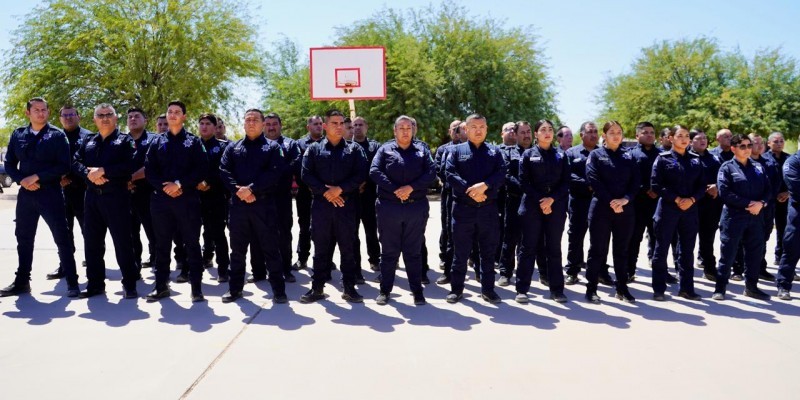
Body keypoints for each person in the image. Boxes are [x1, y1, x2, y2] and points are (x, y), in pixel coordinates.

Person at [0, 98, 79, 297]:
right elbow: (9, 164)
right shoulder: (18, 135)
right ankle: (22, 282)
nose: (41, 113)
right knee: (24, 238)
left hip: (50, 194)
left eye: (44, 109)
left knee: (62, 238)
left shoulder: (57, 135)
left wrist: (37, 177)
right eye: (36, 110)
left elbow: (64, 166)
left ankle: (72, 282)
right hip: (26, 195)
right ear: (28, 113)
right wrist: (22, 180)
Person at [219, 109, 287, 303]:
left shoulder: (273, 148)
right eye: (247, 119)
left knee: (271, 249)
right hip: (238, 206)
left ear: (263, 123)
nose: (251, 122)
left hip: (264, 205)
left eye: (255, 119)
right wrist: (238, 190)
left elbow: (275, 173)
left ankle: (279, 291)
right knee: (237, 251)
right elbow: (224, 170)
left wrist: (252, 189)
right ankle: (234, 290)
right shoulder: (233, 148)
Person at [299, 110, 368, 303]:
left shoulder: (354, 150)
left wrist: (340, 189)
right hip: (321, 207)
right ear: (325, 126)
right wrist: (326, 192)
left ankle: (349, 288)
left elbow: (361, 174)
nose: (339, 127)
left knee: (348, 248)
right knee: (320, 249)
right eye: (334, 123)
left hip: (346, 206)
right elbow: (306, 174)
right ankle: (317, 288)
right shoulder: (313, 149)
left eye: (341, 123)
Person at [144, 100, 209, 302]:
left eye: (177, 112)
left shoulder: (193, 142)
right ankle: (161, 286)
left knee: (192, 244)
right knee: (161, 245)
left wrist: (179, 184)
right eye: (170, 111)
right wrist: (165, 188)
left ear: (184, 117)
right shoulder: (156, 141)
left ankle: (196, 288)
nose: (172, 115)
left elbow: (201, 169)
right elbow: (149, 169)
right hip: (161, 201)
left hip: (187, 200)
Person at [73, 104, 138, 298]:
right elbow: (75, 162)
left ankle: (129, 284)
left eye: (109, 114)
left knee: (123, 242)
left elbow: (131, 164)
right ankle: (95, 284)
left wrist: (104, 171)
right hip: (92, 198)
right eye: (100, 115)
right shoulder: (88, 141)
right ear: (94, 119)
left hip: (116, 198)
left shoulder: (124, 140)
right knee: (92, 243)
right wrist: (88, 173)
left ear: (116, 118)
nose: (105, 118)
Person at [370, 116, 436, 305]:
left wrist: (410, 188)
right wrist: (395, 189)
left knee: (413, 252)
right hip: (389, 206)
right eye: (401, 128)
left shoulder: (422, 150)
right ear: (395, 130)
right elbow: (374, 171)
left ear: (413, 130)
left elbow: (431, 172)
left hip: (416, 206)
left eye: (409, 128)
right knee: (389, 252)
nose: (405, 131)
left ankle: (417, 292)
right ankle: (385, 291)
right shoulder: (385, 149)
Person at [444, 113, 506, 304]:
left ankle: (488, 290)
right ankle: (456, 290)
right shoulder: (456, 151)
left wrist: (485, 186)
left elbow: (502, 172)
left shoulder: (494, 152)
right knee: (460, 252)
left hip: (488, 209)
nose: (478, 130)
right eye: (473, 126)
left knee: (488, 253)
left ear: (486, 129)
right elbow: (449, 172)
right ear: (466, 129)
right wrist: (470, 191)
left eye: (482, 127)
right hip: (463, 209)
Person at [584, 121, 640, 303]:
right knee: (597, 250)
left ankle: (622, 287)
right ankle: (591, 288)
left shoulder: (629, 156)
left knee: (622, 250)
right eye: (612, 132)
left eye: (619, 132)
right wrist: (611, 201)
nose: (616, 135)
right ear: (605, 135)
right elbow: (594, 180)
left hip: (625, 209)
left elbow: (635, 183)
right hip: (601, 208)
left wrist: (625, 200)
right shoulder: (596, 155)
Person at [514, 119, 570, 303]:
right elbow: (523, 182)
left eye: (550, 129)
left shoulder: (561, 156)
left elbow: (566, 182)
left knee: (553, 248)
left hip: (556, 207)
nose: (547, 132)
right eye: (543, 130)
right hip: (532, 207)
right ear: (536, 134)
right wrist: (542, 201)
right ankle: (522, 289)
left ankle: (557, 290)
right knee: (527, 248)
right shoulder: (528, 155)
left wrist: (551, 199)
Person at [649, 125, 705, 301]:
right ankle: (659, 289)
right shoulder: (663, 158)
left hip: (690, 209)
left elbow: (702, 185)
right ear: (671, 138)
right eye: (679, 136)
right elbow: (656, 184)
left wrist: (692, 200)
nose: (684, 139)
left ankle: (686, 288)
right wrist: (676, 199)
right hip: (668, 209)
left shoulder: (696, 160)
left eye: (687, 136)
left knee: (687, 251)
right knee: (661, 249)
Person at [713, 134, 771, 301]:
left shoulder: (758, 167)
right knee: (728, 253)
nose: (747, 149)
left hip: (756, 217)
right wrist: (749, 203)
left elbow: (768, 190)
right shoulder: (727, 167)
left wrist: (761, 203)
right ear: (733, 149)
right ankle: (720, 288)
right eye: (742, 146)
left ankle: (751, 287)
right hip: (734, 217)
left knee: (755, 253)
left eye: (748, 145)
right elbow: (725, 193)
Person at [565, 122, 612, 285]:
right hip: (579, 201)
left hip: (600, 202)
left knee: (601, 238)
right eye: (589, 132)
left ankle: (601, 271)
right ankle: (572, 270)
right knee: (576, 236)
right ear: (581, 135)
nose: (593, 135)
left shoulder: (603, 153)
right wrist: (589, 185)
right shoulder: (572, 153)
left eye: (595, 132)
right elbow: (567, 176)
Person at [47, 105, 90, 280]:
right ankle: (65, 265)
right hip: (60, 192)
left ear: (79, 116)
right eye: (65, 115)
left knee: (88, 231)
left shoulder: (88, 137)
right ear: (60, 118)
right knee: (63, 232)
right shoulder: (54, 137)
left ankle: (93, 264)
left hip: (83, 192)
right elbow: (47, 162)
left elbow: (89, 162)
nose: (69, 118)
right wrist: (58, 178)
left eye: (72, 114)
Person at [255, 112, 300, 283]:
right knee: (259, 233)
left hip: (281, 197)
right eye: (268, 124)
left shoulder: (290, 144)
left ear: (280, 125)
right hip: (259, 196)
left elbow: (296, 163)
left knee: (283, 234)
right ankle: (259, 271)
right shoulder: (256, 144)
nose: (271, 127)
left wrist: (274, 173)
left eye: (275, 124)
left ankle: (286, 269)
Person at [196, 113, 230, 281]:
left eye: (208, 123)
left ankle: (223, 269)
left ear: (215, 127)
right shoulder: (192, 145)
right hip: (194, 196)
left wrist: (208, 182)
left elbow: (224, 170)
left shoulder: (223, 147)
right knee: (192, 234)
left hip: (216, 196)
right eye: (201, 123)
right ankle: (192, 269)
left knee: (218, 233)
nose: (204, 126)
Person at [497, 121, 532, 286]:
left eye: (528, 132)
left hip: (533, 202)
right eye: (523, 132)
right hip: (514, 200)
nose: (526, 135)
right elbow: (506, 175)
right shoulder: (508, 153)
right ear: (516, 135)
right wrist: (526, 189)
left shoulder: (537, 152)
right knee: (510, 238)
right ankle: (505, 272)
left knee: (530, 240)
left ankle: (527, 273)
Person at [625, 122, 660, 282]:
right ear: (637, 136)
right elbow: (628, 179)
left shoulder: (662, 154)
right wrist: (646, 189)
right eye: (645, 132)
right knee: (634, 238)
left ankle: (660, 271)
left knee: (659, 238)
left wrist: (657, 190)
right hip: (637, 203)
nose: (649, 135)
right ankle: (629, 270)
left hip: (658, 203)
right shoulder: (630, 155)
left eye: (652, 132)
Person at [690, 129, 723, 281]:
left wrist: (717, 187)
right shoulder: (687, 157)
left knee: (708, 238)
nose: (703, 140)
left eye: (705, 138)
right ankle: (683, 270)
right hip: (691, 203)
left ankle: (709, 268)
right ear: (691, 141)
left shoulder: (715, 158)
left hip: (711, 204)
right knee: (687, 239)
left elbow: (723, 177)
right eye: (699, 138)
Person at [292, 115, 324, 271]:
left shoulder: (328, 142)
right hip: (305, 192)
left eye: (320, 124)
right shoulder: (299, 144)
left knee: (324, 228)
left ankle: (325, 259)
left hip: (324, 192)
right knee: (304, 226)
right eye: (315, 124)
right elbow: (298, 167)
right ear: (308, 127)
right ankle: (302, 258)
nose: (319, 126)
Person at [352, 117, 382, 276]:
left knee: (371, 230)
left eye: (360, 125)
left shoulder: (375, 146)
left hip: (370, 196)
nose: (357, 128)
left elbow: (378, 168)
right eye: (354, 125)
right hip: (351, 196)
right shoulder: (347, 145)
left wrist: (365, 183)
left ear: (366, 127)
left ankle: (375, 260)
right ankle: (355, 265)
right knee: (352, 233)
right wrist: (354, 184)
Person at [434, 120, 462, 284]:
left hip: (468, 195)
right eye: (455, 129)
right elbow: (440, 170)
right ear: (450, 131)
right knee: (447, 227)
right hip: (449, 193)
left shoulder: (469, 148)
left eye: (461, 128)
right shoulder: (443, 149)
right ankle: (445, 259)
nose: (458, 131)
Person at [776, 150, 800, 299]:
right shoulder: (792, 162)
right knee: (792, 249)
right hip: (798, 214)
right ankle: (784, 286)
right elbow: (796, 188)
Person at [766, 132, 790, 266]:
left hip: (785, 199)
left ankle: (780, 257)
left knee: (784, 230)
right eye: (776, 141)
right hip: (768, 200)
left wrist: (788, 193)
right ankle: (759, 263)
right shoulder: (763, 159)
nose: (779, 144)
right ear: (769, 143)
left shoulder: (789, 158)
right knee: (765, 230)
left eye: (781, 141)